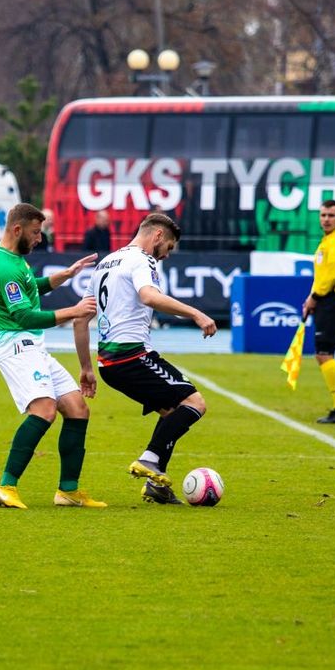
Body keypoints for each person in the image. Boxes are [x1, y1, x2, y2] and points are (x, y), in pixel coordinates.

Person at [89, 212, 217, 505]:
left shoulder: (107, 262)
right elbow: (149, 296)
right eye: (169, 247)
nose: (167, 255)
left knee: (172, 412)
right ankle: (150, 460)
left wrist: (86, 366)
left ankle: (156, 486)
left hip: (108, 362)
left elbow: (82, 317)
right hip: (131, 355)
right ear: (157, 235)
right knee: (194, 403)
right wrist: (196, 313)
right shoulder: (142, 260)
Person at [0, 202, 103, 509]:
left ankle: (68, 491)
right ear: (17, 229)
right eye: (36, 233)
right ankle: (6, 486)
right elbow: (23, 315)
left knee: (77, 408)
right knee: (44, 410)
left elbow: (28, 288)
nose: (40, 238)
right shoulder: (7, 265)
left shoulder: (7, 256)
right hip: (16, 344)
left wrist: (65, 275)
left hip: (32, 345)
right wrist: (73, 312)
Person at [301, 199, 335, 424]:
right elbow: (321, 277)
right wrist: (311, 298)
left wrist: (313, 298)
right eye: (323, 215)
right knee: (323, 354)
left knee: (324, 354)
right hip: (325, 300)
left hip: (332, 301)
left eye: (331, 215)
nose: (326, 219)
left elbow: (329, 279)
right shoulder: (328, 241)